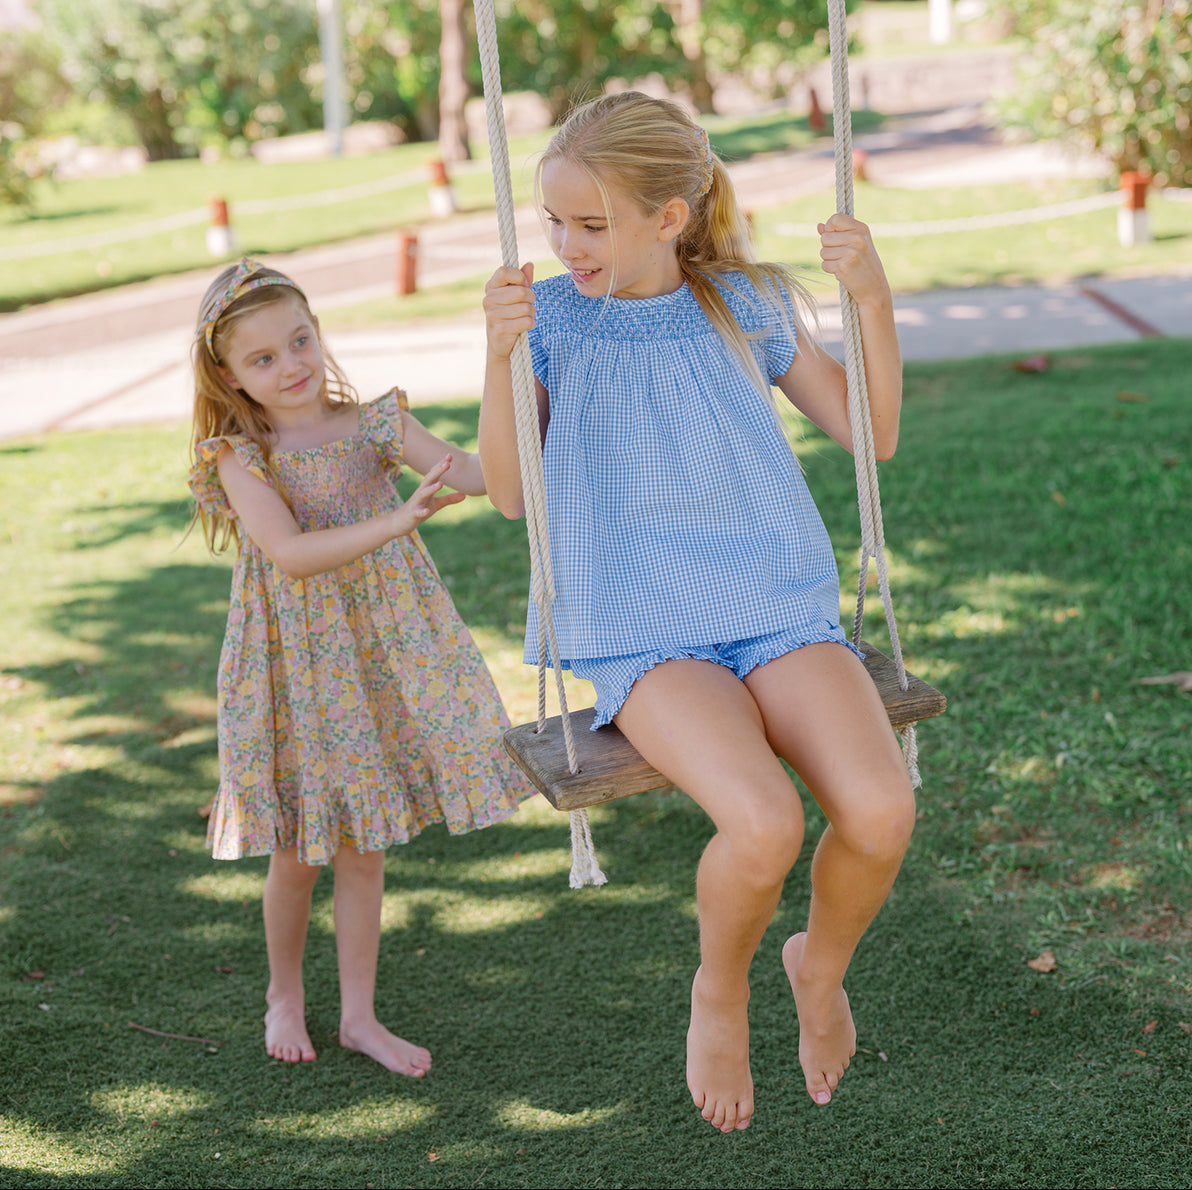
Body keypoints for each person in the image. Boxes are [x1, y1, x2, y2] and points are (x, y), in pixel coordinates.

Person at [480, 92, 916, 1132]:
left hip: (772, 602)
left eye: (591, 224)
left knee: (882, 807)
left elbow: (872, 436)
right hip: (647, 624)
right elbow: (509, 491)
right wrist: (496, 357)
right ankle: (720, 988)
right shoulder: (550, 322)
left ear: (669, 215)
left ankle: (819, 964)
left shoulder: (744, 302)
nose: (564, 244)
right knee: (762, 822)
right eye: (553, 222)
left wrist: (873, 300)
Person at [189, 257, 529, 1076]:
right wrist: (401, 518)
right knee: (300, 849)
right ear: (229, 375)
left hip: (375, 658)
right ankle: (283, 994)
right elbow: (292, 553)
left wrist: (503, 365)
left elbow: (483, 477)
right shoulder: (241, 454)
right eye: (264, 358)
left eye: (300, 340)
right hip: (297, 669)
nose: (293, 365)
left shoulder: (375, 423)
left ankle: (360, 1017)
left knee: (364, 848)